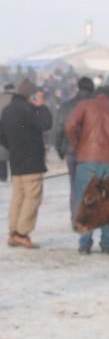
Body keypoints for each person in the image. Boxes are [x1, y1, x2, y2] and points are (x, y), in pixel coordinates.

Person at [65, 85, 109, 254]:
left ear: (96, 95)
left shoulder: (85, 105)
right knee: (108, 202)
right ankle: (106, 243)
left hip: (87, 160)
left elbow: (70, 126)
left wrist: (78, 145)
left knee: (85, 200)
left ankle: (85, 243)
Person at [0, 79, 52, 249]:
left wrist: (14, 148)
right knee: (32, 197)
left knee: (18, 197)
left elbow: (1, 136)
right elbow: (46, 124)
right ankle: (23, 233)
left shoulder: (7, 111)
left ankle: (13, 232)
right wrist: (42, 106)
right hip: (32, 161)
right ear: (30, 95)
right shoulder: (30, 110)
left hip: (16, 160)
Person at [53, 77, 95, 221]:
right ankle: (89, 217)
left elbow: (58, 129)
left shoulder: (66, 106)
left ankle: (76, 217)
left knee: (75, 185)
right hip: (92, 152)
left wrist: (60, 149)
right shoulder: (95, 106)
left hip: (72, 151)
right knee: (91, 185)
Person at [0, 83, 14, 182]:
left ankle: (3, 176)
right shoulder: (16, 99)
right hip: (15, 128)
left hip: (1, 129)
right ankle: (15, 175)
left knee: (2, 155)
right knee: (15, 154)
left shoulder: (0, 99)